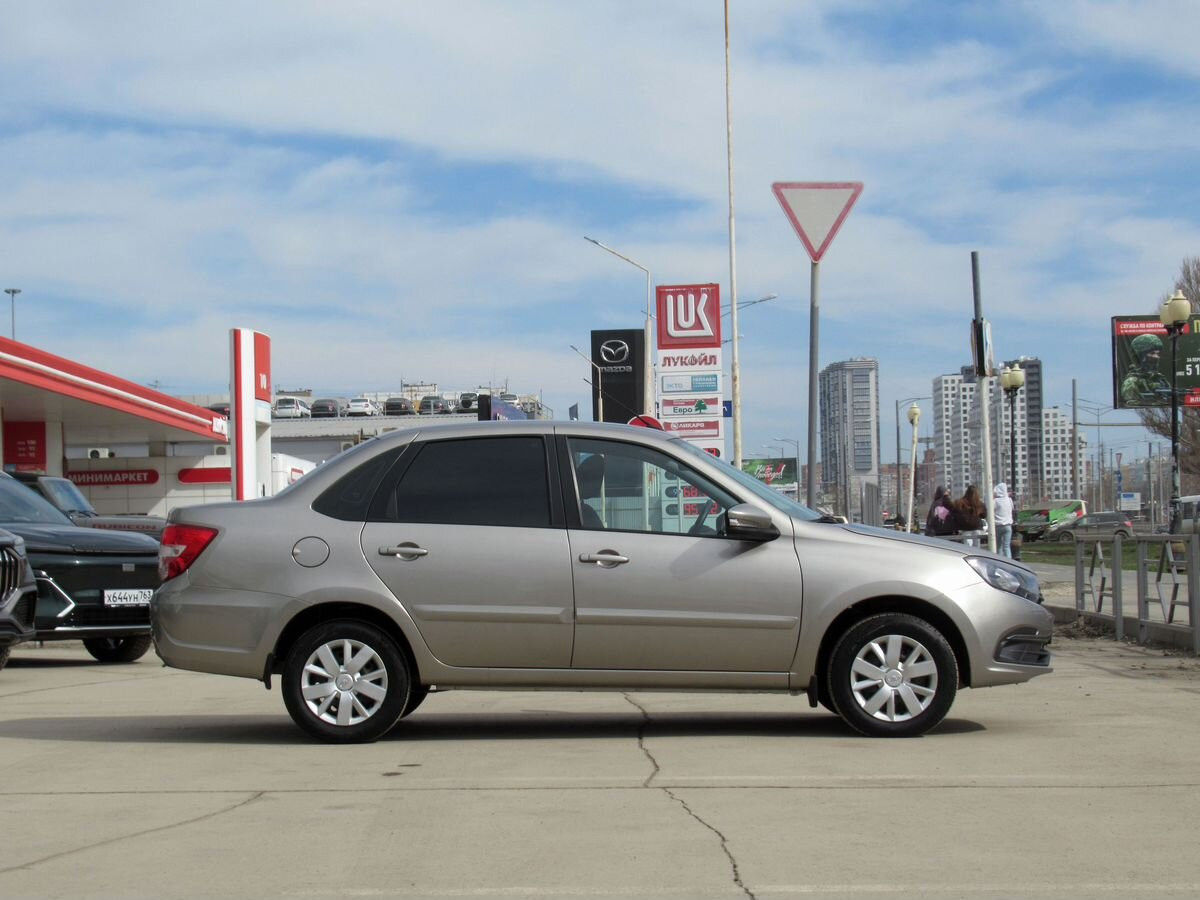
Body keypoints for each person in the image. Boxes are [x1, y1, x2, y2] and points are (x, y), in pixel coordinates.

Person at [1120, 333, 1171, 407]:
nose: (1156, 357)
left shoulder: (1160, 379)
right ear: (1141, 356)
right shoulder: (1131, 382)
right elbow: (1132, 403)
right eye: (1152, 353)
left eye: (1158, 354)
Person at [993, 482, 1014, 557]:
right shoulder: (1009, 500)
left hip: (998, 525)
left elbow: (990, 510)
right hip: (1008, 526)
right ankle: (1009, 561)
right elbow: (1012, 509)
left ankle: (999, 561)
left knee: (998, 546)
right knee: (1006, 546)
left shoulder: (995, 501)